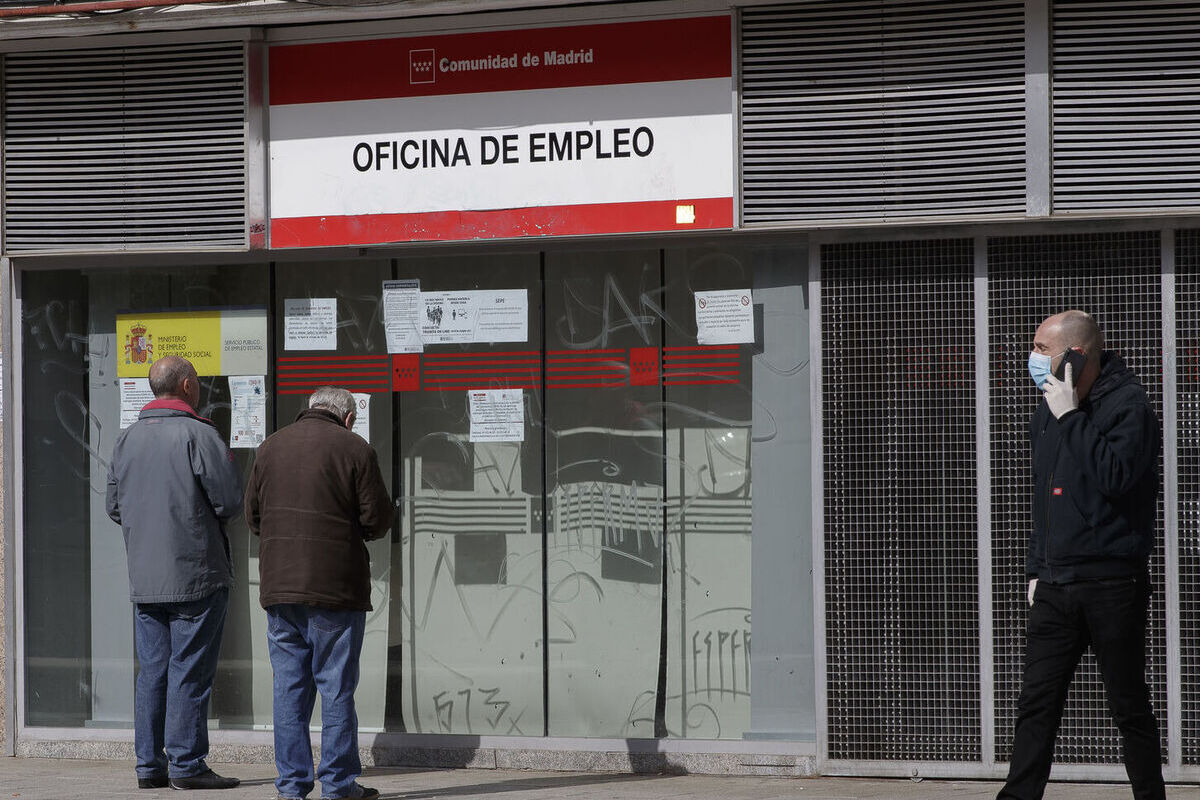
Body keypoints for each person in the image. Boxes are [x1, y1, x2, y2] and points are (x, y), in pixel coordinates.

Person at [998, 310, 1164, 800]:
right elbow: (1042, 493)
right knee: (1037, 704)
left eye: (1043, 349)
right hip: (1054, 584)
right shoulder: (1045, 408)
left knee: (1128, 705)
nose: (1033, 358)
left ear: (1077, 355)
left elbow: (1114, 476)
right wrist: (1034, 569)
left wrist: (1072, 415)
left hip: (1112, 583)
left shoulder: (1128, 406)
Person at [245, 386, 394, 800]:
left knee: (289, 690)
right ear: (348, 418)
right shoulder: (355, 449)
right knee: (336, 688)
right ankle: (338, 784)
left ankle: (292, 785)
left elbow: (252, 516)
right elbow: (378, 519)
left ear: (309, 410)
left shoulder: (270, 448)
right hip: (336, 589)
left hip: (280, 589)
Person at [106, 356, 243, 791]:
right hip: (195, 573)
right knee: (190, 670)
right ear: (187, 386)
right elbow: (229, 502)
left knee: (153, 671)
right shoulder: (198, 434)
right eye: (198, 383)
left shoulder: (127, 439)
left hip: (145, 577)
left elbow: (113, 506)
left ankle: (149, 766)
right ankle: (186, 764)